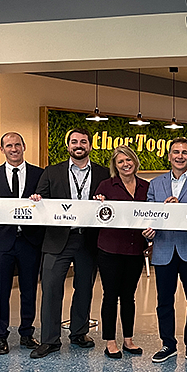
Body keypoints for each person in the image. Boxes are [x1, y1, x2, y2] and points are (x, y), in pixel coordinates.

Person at [29, 128, 110, 359]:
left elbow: (111, 206)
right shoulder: (52, 172)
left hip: (88, 239)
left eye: (83, 141)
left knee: (84, 288)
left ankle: (79, 333)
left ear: (90, 146)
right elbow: (39, 200)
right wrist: (37, 200)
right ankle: (50, 340)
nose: (78, 145)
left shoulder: (103, 174)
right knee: (51, 289)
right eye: (74, 141)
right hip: (57, 240)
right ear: (68, 146)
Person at [146, 137, 187, 363]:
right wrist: (147, 231)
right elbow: (149, 214)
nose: (180, 156)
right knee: (164, 300)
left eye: (185, 152)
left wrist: (180, 209)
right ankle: (168, 344)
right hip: (164, 248)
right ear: (169, 156)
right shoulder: (155, 184)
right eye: (176, 152)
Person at [0, 132, 44, 355]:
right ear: (3, 150)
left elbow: (48, 205)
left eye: (17, 144)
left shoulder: (39, 174)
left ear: (24, 146)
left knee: (29, 289)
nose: (13, 149)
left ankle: (26, 333)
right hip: (0, 243)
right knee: (0, 291)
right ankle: (0, 336)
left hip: (30, 241)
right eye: (9, 146)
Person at [93, 145, 150, 359]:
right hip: (110, 248)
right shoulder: (106, 186)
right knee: (110, 296)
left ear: (135, 161)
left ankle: (128, 339)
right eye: (120, 162)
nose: (126, 164)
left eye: (129, 160)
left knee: (129, 296)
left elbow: (151, 214)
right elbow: (96, 213)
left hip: (135, 249)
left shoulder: (146, 186)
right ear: (115, 166)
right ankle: (110, 341)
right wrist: (97, 203)